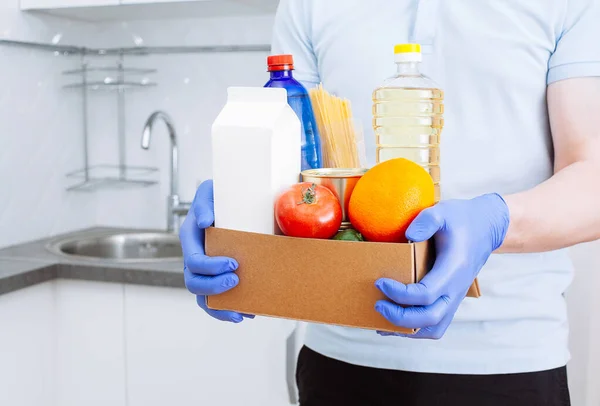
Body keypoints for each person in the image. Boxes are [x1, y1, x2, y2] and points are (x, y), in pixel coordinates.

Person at [179, 1, 600, 405]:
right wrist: (241, 199)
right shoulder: (308, 4)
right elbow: (295, 157)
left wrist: (497, 221)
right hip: (338, 355)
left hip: (508, 362)